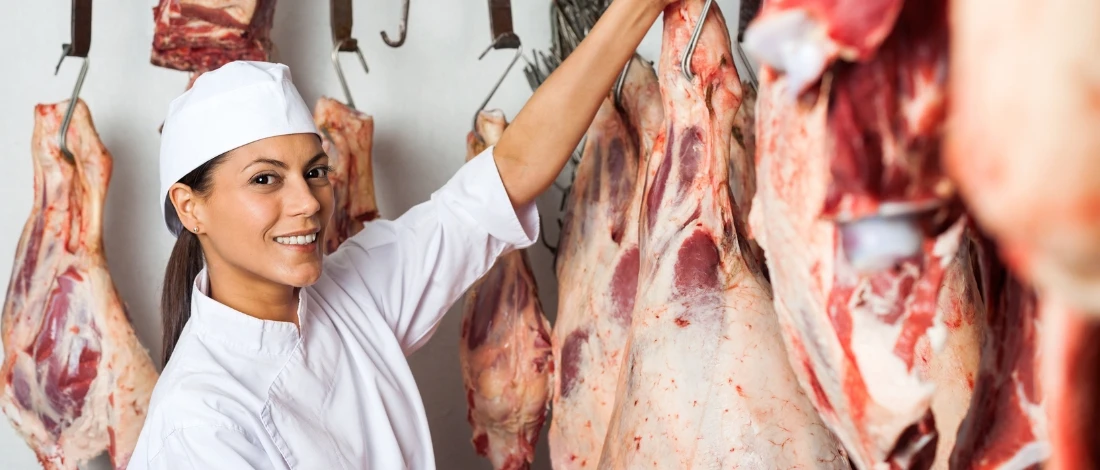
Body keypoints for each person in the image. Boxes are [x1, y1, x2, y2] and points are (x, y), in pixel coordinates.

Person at [127, 0, 676, 468]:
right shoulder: (198, 424)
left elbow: (503, 179)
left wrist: (637, 10)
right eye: (265, 179)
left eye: (315, 171)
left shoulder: (350, 292)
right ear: (190, 207)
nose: (306, 203)